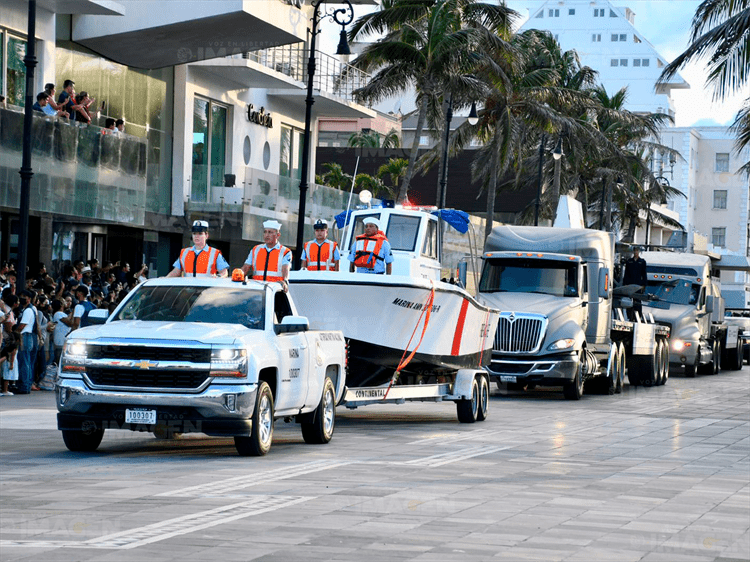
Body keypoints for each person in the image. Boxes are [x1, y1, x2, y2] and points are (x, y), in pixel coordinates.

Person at [241, 220, 292, 291]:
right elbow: (246, 267)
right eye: (265, 232)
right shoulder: (255, 249)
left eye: (270, 232)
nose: (267, 235)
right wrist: (239, 275)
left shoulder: (285, 252)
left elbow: (285, 269)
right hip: (257, 289)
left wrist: (285, 281)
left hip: (274, 290)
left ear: (278, 235)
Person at [15, 289, 39, 394]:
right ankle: (26, 385)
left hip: (25, 337)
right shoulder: (28, 309)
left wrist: (14, 333)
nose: (22, 298)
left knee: (24, 362)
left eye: (24, 296)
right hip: (28, 337)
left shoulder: (28, 310)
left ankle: (24, 386)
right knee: (27, 362)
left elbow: (22, 325)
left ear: (29, 299)